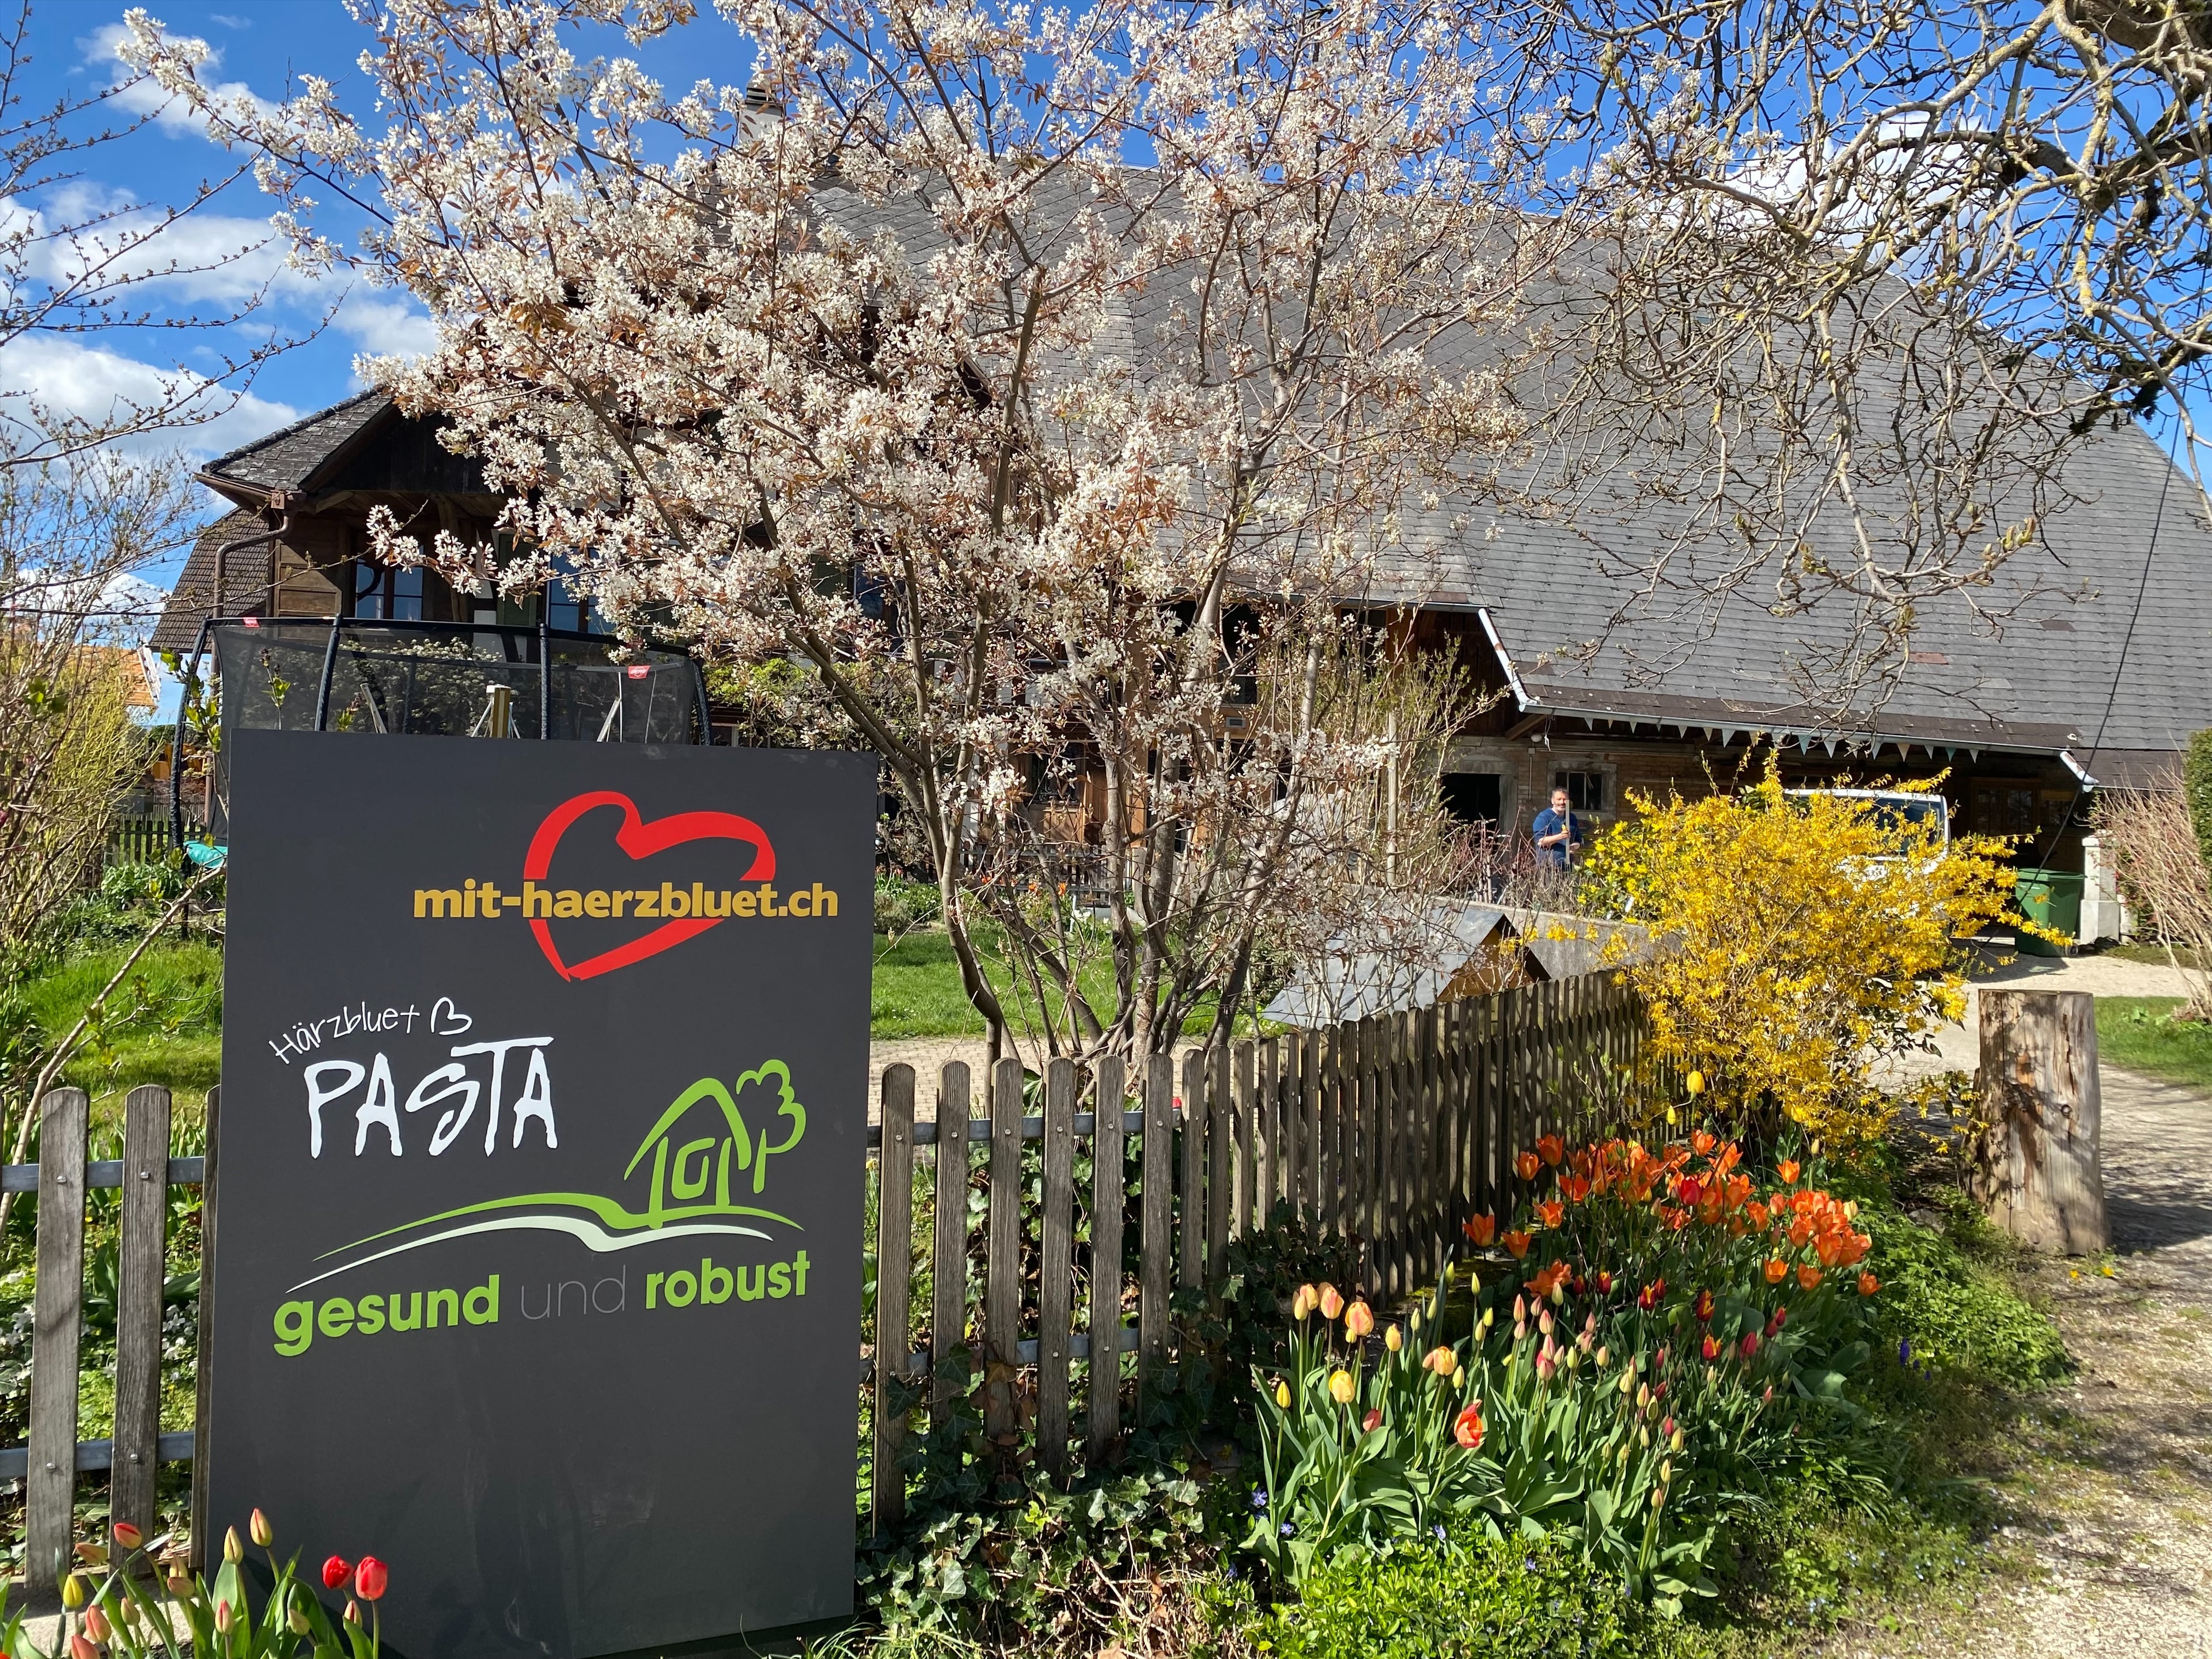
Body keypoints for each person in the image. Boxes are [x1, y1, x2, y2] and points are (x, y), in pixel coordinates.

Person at [1531, 786, 1581, 869]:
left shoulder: (1572, 818)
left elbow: (1579, 840)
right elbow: (1540, 842)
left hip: (1568, 867)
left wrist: (1575, 846)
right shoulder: (1543, 818)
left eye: (1565, 799)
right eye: (1559, 799)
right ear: (1552, 801)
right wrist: (1560, 837)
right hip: (1548, 868)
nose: (1562, 802)